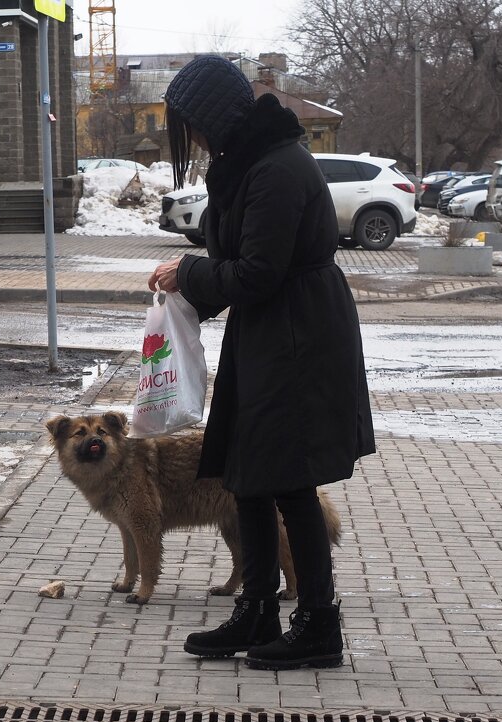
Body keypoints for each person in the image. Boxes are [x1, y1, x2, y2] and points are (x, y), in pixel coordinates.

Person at [147, 55, 375, 670]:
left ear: (216, 116)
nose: (190, 136)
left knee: (289, 478)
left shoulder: (277, 168)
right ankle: (259, 607)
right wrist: (192, 278)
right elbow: (237, 261)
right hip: (269, 331)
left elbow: (257, 272)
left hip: (299, 334)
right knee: (245, 473)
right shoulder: (247, 163)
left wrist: (188, 271)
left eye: (193, 123)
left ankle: (318, 623)